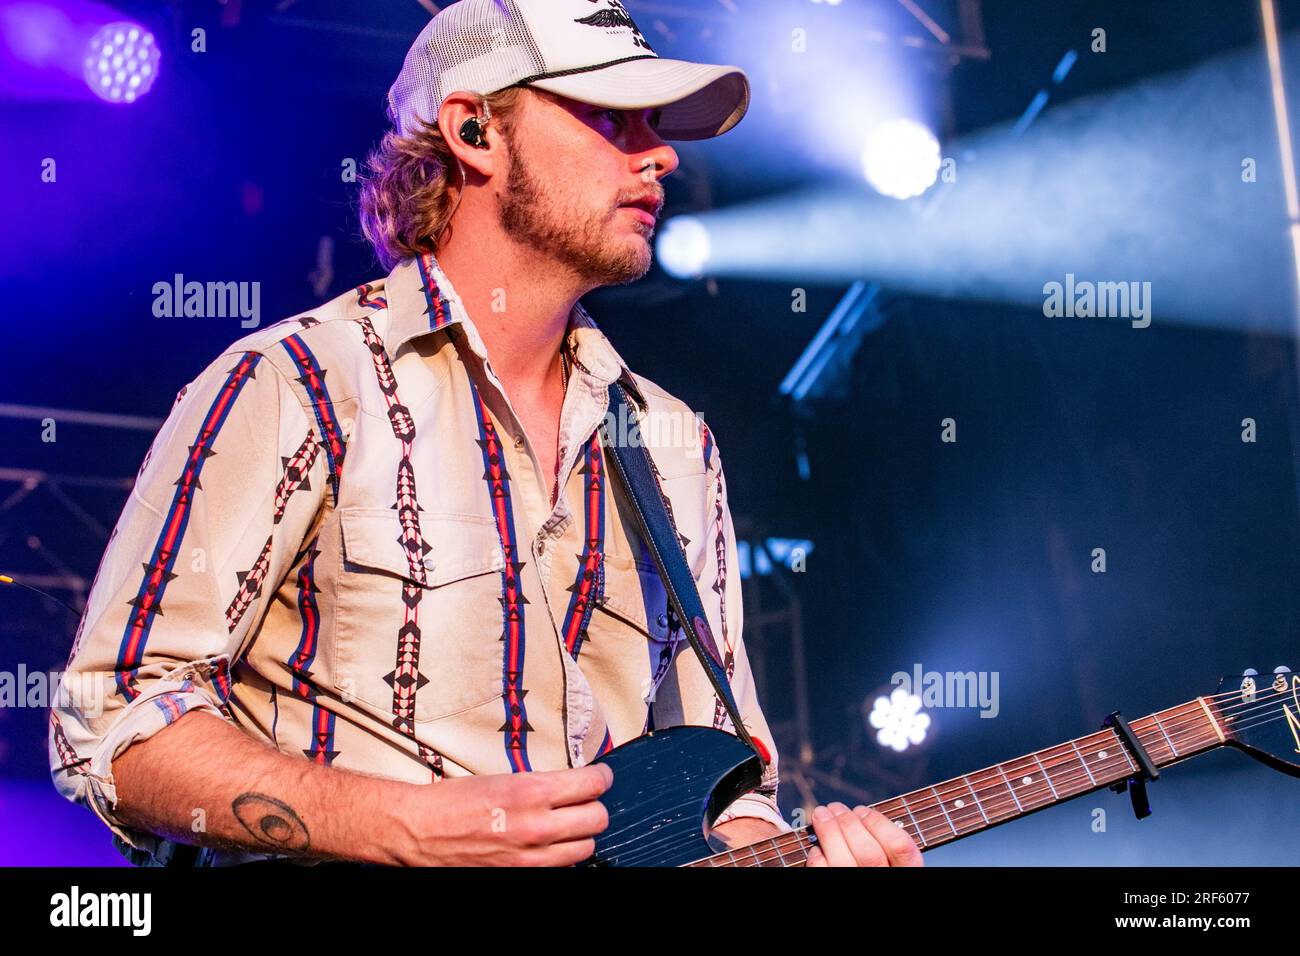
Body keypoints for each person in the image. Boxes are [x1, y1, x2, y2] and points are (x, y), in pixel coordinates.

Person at [49, 0, 922, 868]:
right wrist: (399, 826)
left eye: (653, 124)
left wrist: (778, 851)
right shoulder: (296, 384)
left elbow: (729, 788)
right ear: (473, 131)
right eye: (611, 116)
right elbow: (118, 719)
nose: (659, 153)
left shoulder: (670, 442)